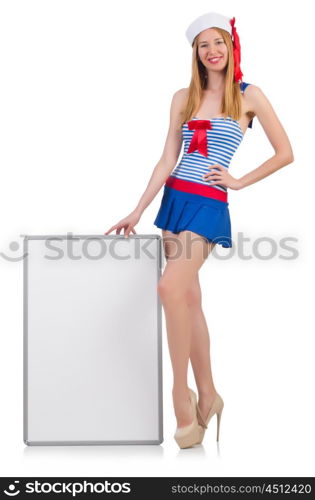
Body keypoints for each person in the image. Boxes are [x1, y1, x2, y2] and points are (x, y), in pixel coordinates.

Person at [105, 12, 294, 449]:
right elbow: (167, 158)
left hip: (208, 204)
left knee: (169, 289)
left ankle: (180, 395)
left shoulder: (249, 96)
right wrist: (138, 209)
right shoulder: (182, 98)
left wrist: (240, 181)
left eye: (219, 43)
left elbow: (286, 152)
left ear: (231, 48)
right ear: (195, 53)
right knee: (187, 297)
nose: (213, 51)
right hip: (174, 200)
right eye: (204, 45)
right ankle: (209, 393)